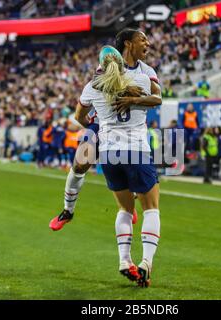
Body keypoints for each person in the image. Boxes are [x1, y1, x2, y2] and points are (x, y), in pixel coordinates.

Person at [66, 46, 161, 287]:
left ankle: (124, 259)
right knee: (151, 209)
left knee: (125, 211)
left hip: (109, 153)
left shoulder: (93, 87)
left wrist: (96, 128)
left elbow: (79, 117)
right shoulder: (140, 78)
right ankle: (146, 263)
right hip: (137, 150)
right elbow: (157, 98)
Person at [50, 28, 162, 230]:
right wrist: (126, 89)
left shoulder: (147, 71)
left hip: (130, 128)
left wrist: (135, 98)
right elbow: (98, 84)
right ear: (129, 43)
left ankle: (128, 204)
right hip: (102, 122)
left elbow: (157, 98)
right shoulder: (110, 63)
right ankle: (68, 210)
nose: (148, 44)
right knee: (80, 163)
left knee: (125, 165)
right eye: (143, 39)